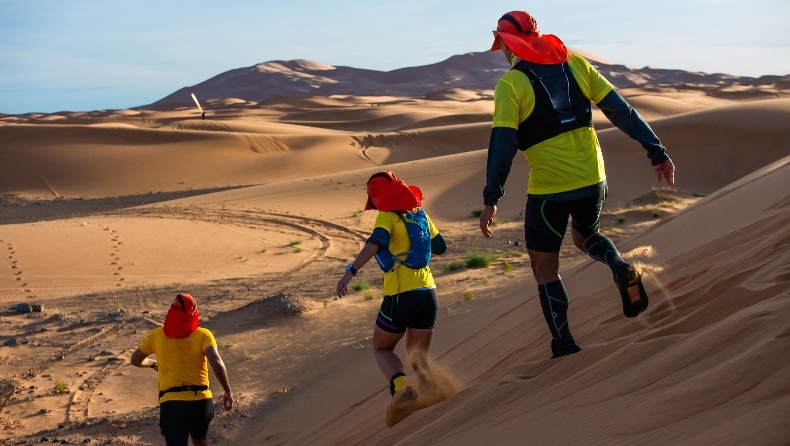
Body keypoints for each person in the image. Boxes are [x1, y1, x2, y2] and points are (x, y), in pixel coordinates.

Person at [479, 11, 676, 359]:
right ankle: (618, 265)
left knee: (544, 267)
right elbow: (621, 110)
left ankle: (564, 344)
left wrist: (491, 198)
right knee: (586, 236)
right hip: (593, 179)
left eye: (503, 45)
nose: (504, 53)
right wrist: (656, 151)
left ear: (510, 44)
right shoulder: (576, 64)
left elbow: (503, 146)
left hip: (549, 191)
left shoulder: (511, 84)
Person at [336, 171, 447, 407]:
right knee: (419, 359)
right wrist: (415, 256)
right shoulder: (421, 214)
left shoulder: (387, 217)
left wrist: (351, 271)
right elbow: (440, 246)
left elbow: (375, 243)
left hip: (401, 296)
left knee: (382, 348)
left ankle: (401, 385)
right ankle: (438, 403)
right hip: (428, 293)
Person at [131, 293, 233, 446]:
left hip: (172, 404)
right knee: (199, 440)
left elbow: (135, 359)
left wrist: (152, 363)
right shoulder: (204, 335)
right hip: (201, 402)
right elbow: (216, 362)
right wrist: (227, 391)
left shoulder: (156, 335)